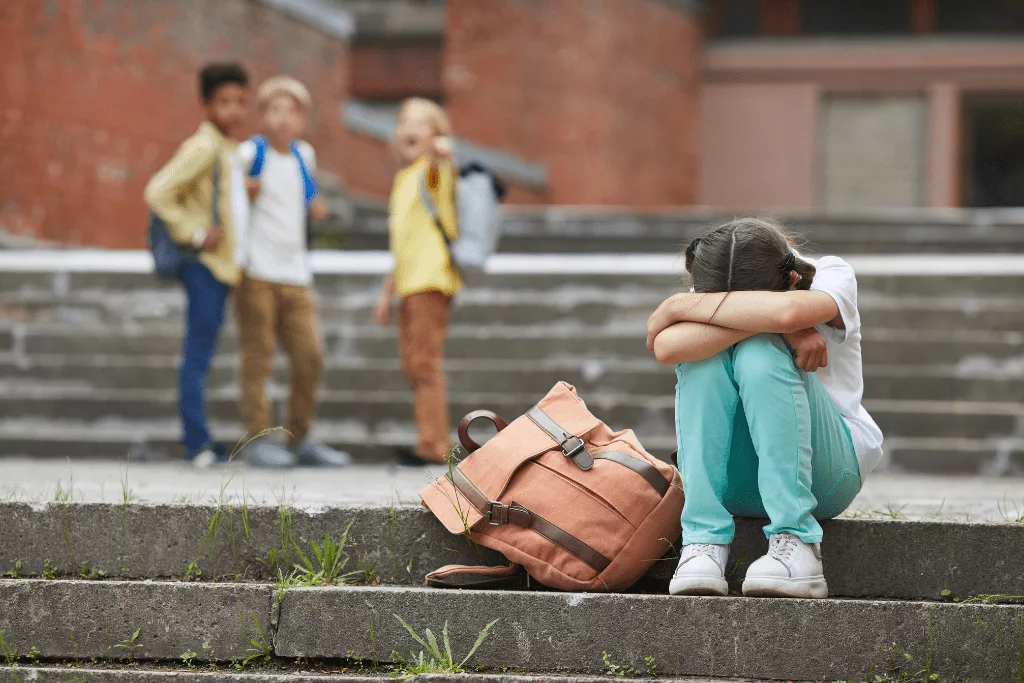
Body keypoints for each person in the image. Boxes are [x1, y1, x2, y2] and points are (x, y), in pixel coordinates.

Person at [646, 218, 883, 599]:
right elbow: (667, 348)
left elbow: (788, 314)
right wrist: (778, 324)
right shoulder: (720, 279)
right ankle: (703, 542)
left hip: (826, 475)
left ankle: (798, 541)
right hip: (737, 484)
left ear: (790, 281)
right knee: (701, 360)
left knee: (759, 352)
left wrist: (682, 306)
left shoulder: (831, 274)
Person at [233, 76, 351, 468]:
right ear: (263, 115)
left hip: (296, 273)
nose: (284, 118)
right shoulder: (250, 153)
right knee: (259, 356)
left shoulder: (305, 155)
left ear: (303, 120)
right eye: (275, 109)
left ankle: (300, 436)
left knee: (310, 356)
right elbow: (231, 201)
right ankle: (260, 436)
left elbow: (304, 190)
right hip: (257, 271)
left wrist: (315, 204)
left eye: (293, 111)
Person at [144, 63, 249, 468]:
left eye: (241, 101)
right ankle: (197, 443)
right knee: (197, 355)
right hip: (204, 267)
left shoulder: (226, 148)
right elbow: (158, 191)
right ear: (205, 104)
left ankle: (201, 439)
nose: (234, 110)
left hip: (222, 269)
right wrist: (196, 233)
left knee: (201, 354)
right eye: (224, 101)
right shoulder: (204, 146)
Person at [374, 98, 460, 466]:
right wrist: (386, 292)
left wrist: (442, 152)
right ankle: (429, 439)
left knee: (424, 363)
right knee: (413, 364)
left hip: (430, 280)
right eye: (404, 121)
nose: (410, 128)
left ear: (435, 133)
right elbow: (403, 242)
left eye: (421, 123)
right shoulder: (403, 178)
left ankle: (434, 446)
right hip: (409, 283)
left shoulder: (431, 171)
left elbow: (443, 168)